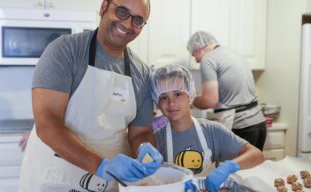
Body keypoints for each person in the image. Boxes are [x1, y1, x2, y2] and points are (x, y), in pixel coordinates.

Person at [18, 0, 163, 191]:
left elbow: (140, 132)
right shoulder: (65, 51)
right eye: (121, 12)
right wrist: (101, 166)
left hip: (107, 184)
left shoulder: (141, 73)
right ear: (104, 7)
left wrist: (144, 150)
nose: (127, 24)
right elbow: (47, 123)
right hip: (55, 180)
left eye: (137, 20)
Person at [150, 64, 264, 192]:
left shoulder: (212, 131)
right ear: (157, 102)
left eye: (177, 94)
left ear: (190, 95)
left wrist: (229, 166)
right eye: (163, 97)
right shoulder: (156, 139)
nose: (171, 103)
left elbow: (257, 155)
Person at [187, 31, 267, 151]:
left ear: (199, 48)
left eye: (193, 54)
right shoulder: (234, 53)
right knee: (252, 169)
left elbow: (210, 101)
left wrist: (191, 101)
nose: (195, 60)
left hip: (241, 128)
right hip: (259, 125)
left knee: (235, 170)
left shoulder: (208, 59)